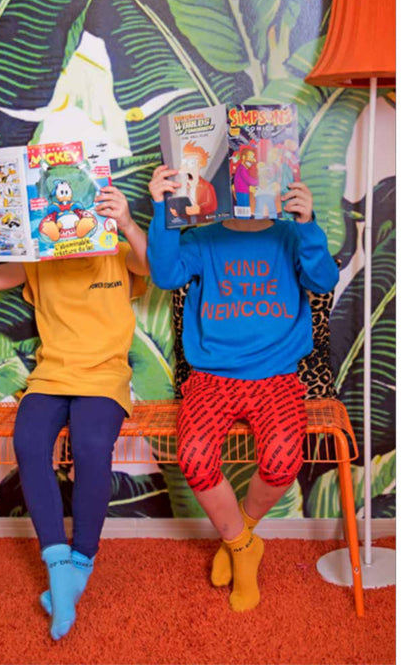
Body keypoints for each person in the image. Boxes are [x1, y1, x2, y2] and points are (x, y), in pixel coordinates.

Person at [0, 183, 149, 640]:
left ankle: (82, 561)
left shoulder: (115, 249)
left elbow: (156, 268)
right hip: (51, 376)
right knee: (27, 443)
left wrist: (125, 222)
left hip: (103, 376)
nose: (66, 209)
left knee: (91, 445)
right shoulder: (39, 256)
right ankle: (59, 564)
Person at [146, 164, 339, 612]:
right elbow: (166, 275)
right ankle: (241, 547)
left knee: (283, 461)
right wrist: (161, 209)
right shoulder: (203, 237)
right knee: (195, 457)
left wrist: (307, 224)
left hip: (276, 375)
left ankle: (240, 536)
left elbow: (324, 281)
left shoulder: (290, 234)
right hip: (212, 377)